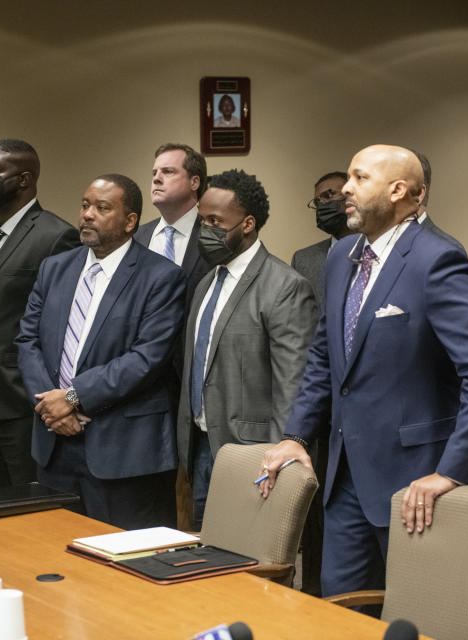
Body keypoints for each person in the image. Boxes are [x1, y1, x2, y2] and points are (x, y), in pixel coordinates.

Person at [259, 145, 468, 600]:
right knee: (340, 611)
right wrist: (296, 436)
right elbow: (325, 355)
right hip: (347, 479)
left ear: (399, 191)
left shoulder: (436, 259)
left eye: (359, 179)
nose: (346, 190)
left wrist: (452, 471)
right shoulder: (341, 256)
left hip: (417, 483)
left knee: (416, 613)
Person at [16, 174, 186, 529]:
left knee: (124, 567)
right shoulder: (55, 268)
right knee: (54, 557)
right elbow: (27, 341)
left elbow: (146, 358)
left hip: (122, 451)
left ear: (130, 221)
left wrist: (74, 397)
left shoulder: (161, 277)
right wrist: (52, 407)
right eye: (85, 205)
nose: (87, 215)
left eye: (102, 208)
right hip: (55, 444)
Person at [177, 169, 316, 530]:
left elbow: (292, 384)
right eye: (201, 220)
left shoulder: (285, 287)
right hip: (202, 447)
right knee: (206, 559)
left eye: (214, 221)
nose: (204, 230)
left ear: (248, 224)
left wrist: (281, 454)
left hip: (253, 454)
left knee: (248, 562)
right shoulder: (207, 281)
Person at [0, 139, 80, 491]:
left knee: (28, 510)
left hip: (19, 399)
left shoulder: (57, 236)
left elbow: (60, 327)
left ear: (24, 179)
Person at [289, 169, 350, 596]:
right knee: (318, 517)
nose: (326, 203)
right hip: (317, 398)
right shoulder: (306, 258)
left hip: (357, 405)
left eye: (332, 194)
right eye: (318, 199)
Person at [135, 143, 210, 306]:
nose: (156, 178)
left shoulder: (215, 237)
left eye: (168, 172)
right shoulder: (136, 237)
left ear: (194, 182)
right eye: (154, 173)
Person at [291, 171, 351, 301]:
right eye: (318, 202)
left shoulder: (377, 249)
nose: (323, 204)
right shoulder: (303, 260)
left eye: (329, 195)